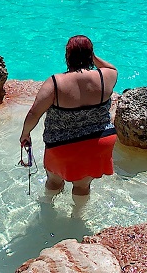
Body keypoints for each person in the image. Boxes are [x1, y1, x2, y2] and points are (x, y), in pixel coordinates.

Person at [20, 36, 118, 206]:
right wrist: (92, 56)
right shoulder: (106, 77)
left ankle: (47, 210)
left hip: (62, 146)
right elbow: (111, 67)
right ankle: (77, 217)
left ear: (67, 56)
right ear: (90, 55)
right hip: (99, 142)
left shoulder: (55, 83)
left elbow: (33, 114)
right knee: (82, 186)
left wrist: (25, 134)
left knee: (54, 182)